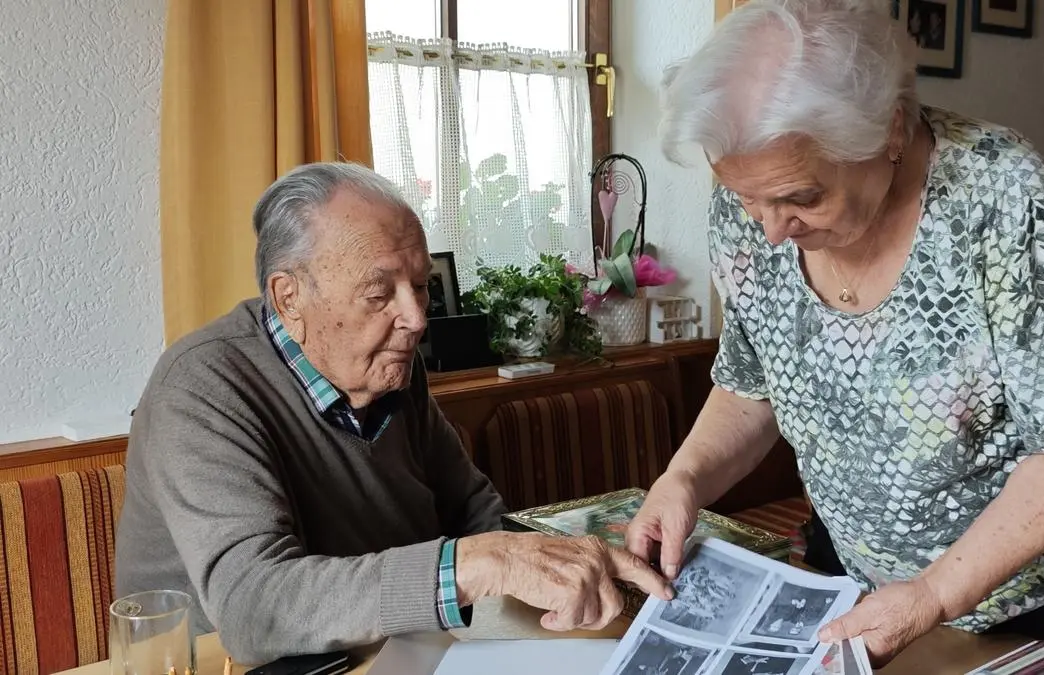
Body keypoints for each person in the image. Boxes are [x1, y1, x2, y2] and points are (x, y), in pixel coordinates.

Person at [627, 0, 1044, 669]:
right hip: (861, 579)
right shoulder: (754, 204)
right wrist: (684, 479)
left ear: (888, 131)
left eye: (801, 199)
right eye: (745, 199)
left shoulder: (999, 197)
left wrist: (935, 592)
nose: (768, 229)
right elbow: (752, 384)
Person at [114, 162, 672, 665]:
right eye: (380, 292)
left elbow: (472, 508)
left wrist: (563, 562)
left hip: (404, 655)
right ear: (288, 299)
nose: (416, 318)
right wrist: (479, 564)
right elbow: (253, 607)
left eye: (420, 287)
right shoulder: (201, 387)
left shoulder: (390, 368)